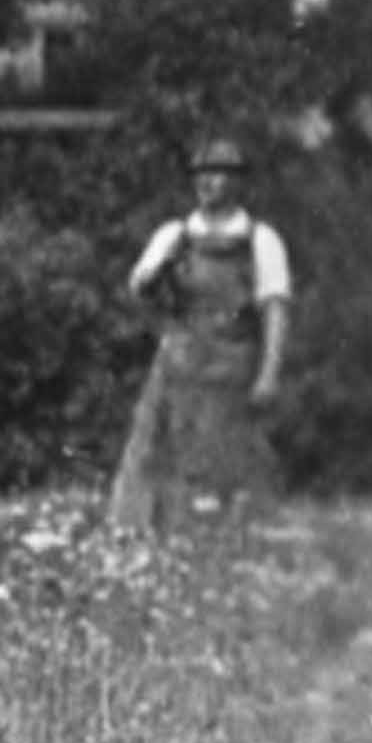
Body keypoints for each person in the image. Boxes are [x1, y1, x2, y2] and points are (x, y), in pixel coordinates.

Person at [103, 137, 293, 540]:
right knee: (155, 453)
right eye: (203, 174)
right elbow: (141, 288)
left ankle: (225, 539)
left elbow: (275, 310)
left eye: (220, 174)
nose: (209, 183)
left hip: (231, 365)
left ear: (238, 183)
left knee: (224, 456)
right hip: (177, 364)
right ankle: (147, 535)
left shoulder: (259, 240)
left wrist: (268, 375)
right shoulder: (176, 236)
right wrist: (156, 279)